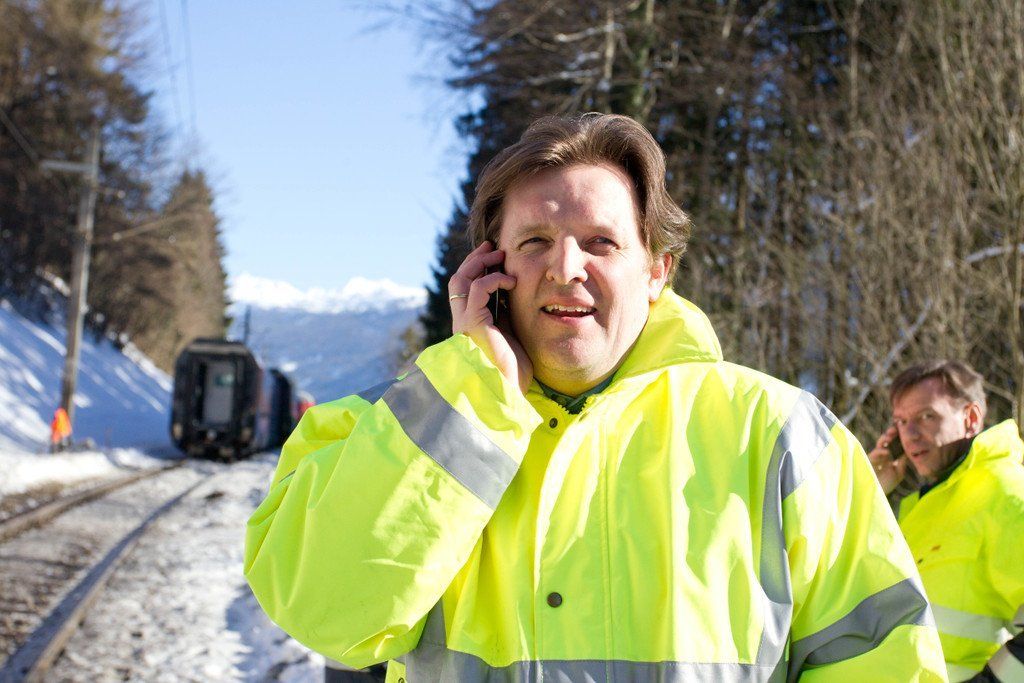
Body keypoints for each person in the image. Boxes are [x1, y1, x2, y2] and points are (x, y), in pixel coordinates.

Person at [245, 113, 945, 681]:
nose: (566, 267)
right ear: (489, 266)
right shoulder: (386, 423)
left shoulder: (783, 437)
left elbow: (882, 661)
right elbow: (325, 611)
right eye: (535, 241)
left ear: (657, 270)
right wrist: (470, 395)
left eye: (600, 242)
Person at [868, 361, 1024, 682]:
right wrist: (871, 491)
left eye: (927, 416)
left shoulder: (1007, 492)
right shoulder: (919, 508)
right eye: (901, 421)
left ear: (971, 418)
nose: (910, 435)